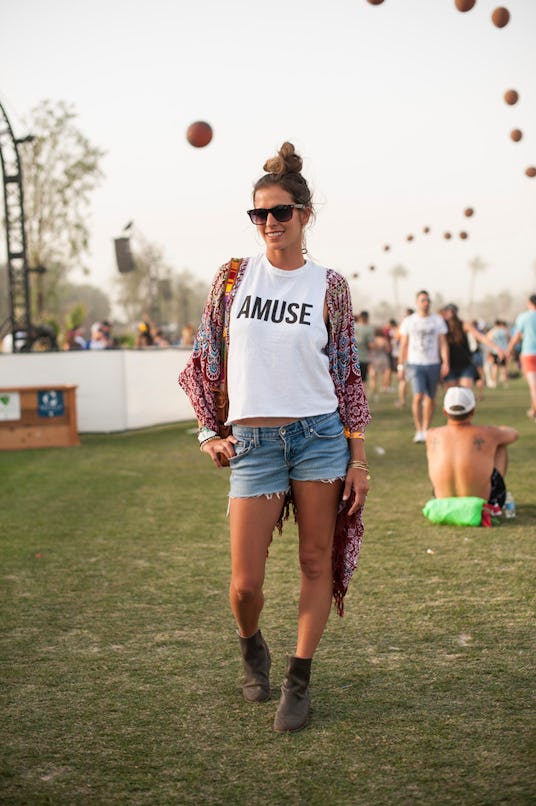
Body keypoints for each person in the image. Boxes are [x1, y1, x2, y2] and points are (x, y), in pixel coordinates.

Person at [179, 142, 371, 734]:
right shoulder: (234, 276)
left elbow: (345, 373)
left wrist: (358, 459)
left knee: (315, 559)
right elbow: (206, 353)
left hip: (319, 438)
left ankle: (299, 678)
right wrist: (210, 429)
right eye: (259, 214)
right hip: (255, 446)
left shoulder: (329, 286)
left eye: (280, 213)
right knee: (245, 584)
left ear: (304, 215)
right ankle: (250, 644)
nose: (269, 224)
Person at [426, 386, 518, 508]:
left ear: (445, 412)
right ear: (472, 411)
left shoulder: (431, 435)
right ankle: (493, 501)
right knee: (500, 446)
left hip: (443, 503)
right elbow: (514, 434)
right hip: (481, 505)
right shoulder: (488, 433)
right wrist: (494, 431)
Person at [397, 290, 449, 443]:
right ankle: (418, 429)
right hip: (415, 363)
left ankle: (426, 429)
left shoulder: (437, 320)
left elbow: (443, 343)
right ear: (417, 303)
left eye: (427, 300)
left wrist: (445, 361)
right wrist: (400, 366)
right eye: (422, 300)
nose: (425, 303)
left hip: (433, 363)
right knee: (418, 396)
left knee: (430, 399)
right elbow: (403, 344)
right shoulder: (409, 321)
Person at [440, 304, 503, 390]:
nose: (449, 314)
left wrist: (496, 348)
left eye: (451, 311)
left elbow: (480, 337)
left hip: (465, 364)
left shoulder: (462, 324)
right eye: (446, 311)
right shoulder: (441, 326)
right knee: (452, 397)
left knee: (466, 394)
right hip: (450, 365)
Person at [507, 294, 536, 420]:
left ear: (530, 303)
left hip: (528, 353)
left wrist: (508, 351)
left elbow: (517, 336)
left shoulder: (524, 317)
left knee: (533, 387)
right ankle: (533, 410)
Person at [354, 311, 374, 385]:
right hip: (363, 358)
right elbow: (371, 345)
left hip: (352, 358)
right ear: (367, 318)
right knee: (363, 382)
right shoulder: (369, 329)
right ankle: (362, 396)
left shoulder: (353, 326)